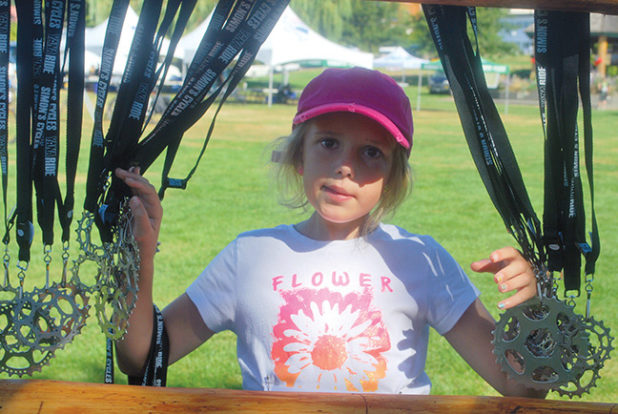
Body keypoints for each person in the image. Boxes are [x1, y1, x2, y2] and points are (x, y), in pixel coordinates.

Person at [114, 67, 544, 397]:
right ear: (300, 155)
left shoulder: (420, 259)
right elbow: (140, 358)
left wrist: (532, 311)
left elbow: (521, 387)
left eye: (371, 152)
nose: (346, 166)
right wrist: (141, 255)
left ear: (392, 176)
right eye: (329, 143)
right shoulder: (250, 257)